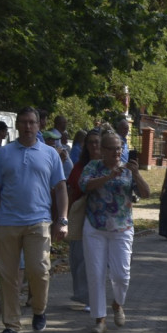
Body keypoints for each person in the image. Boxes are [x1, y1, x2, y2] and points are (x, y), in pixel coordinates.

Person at [0, 107, 68, 333]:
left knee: (39, 271)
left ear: (39, 125)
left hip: (38, 221)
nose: (28, 127)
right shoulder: (4, 153)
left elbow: (60, 188)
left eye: (32, 122)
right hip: (7, 222)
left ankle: (39, 309)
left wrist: (63, 219)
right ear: (17, 125)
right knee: (8, 276)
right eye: (23, 122)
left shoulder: (50, 153)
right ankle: (12, 325)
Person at [79, 129, 151, 333]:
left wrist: (136, 174)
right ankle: (99, 319)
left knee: (122, 275)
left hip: (122, 227)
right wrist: (109, 176)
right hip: (95, 226)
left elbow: (146, 193)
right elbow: (84, 185)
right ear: (102, 150)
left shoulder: (129, 169)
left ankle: (118, 304)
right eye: (111, 149)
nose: (116, 153)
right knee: (96, 273)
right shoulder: (93, 166)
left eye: (119, 148)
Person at [65, 129, 104, 310]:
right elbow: (71, 191)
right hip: (82, 215)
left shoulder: (109, 165)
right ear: (85, 146)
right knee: (79, 257)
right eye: (91, 142)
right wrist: (65, 217)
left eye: (97, 142)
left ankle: (95, 296)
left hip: (103, 219)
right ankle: (85, 296)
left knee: (98, 259)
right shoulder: (80, 167)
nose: (94, 146)